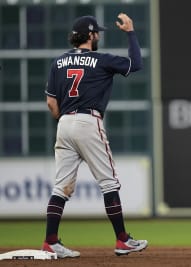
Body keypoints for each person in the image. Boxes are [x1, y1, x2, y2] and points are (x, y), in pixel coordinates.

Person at [42, 13, 148, 258]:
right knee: (108, 182)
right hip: (88, 121)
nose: (98, 35)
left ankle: (50, 242)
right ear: (90, 35)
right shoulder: (101, 60)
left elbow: (50, 103)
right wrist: (131, 32)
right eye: (96, 32)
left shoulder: (57, 62)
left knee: (61, 188)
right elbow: (136, 64)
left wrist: (66, 120)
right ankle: (122, 240)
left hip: (64, 122)